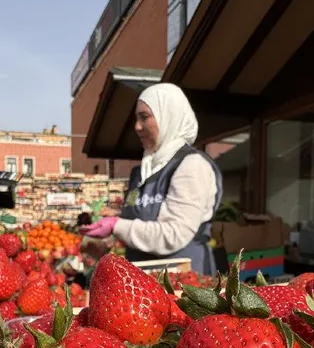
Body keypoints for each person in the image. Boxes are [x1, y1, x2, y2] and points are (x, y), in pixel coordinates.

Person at [80, 83, 223, 275]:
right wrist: (107, 244)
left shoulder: (191, 166)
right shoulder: (143, 171)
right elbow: (136, 223)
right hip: (144, 279)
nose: (137, 127)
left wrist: (116, 225)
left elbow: (173, 234)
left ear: (169, 116)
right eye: (136, 118)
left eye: (145, 117)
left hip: (183, 283)